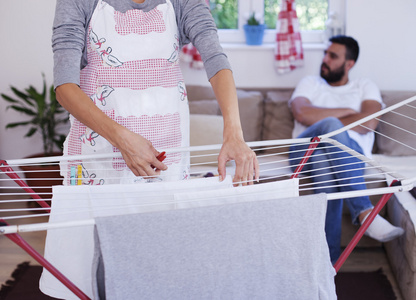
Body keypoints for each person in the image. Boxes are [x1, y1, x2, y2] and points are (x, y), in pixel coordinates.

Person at [41, 0, 258, 298]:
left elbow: (215, 58)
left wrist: (234, 131)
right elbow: (65, 85)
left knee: (162, 263)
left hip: (166, 155)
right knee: (101, 267)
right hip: (100, 156)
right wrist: (122, 140)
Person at [288, 35, 403, 264]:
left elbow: (369, 123)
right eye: (325, 53)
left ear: (349, 64)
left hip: (348, 155)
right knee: (331, 126)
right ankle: (364, 212)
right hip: (303, 152)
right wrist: (345, 113)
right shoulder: (310, 83)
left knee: (324, 160)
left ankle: (328, 265)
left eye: (333, 56)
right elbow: (302, 113)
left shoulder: (364, 86)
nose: (325, 59)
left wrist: (322, 113)